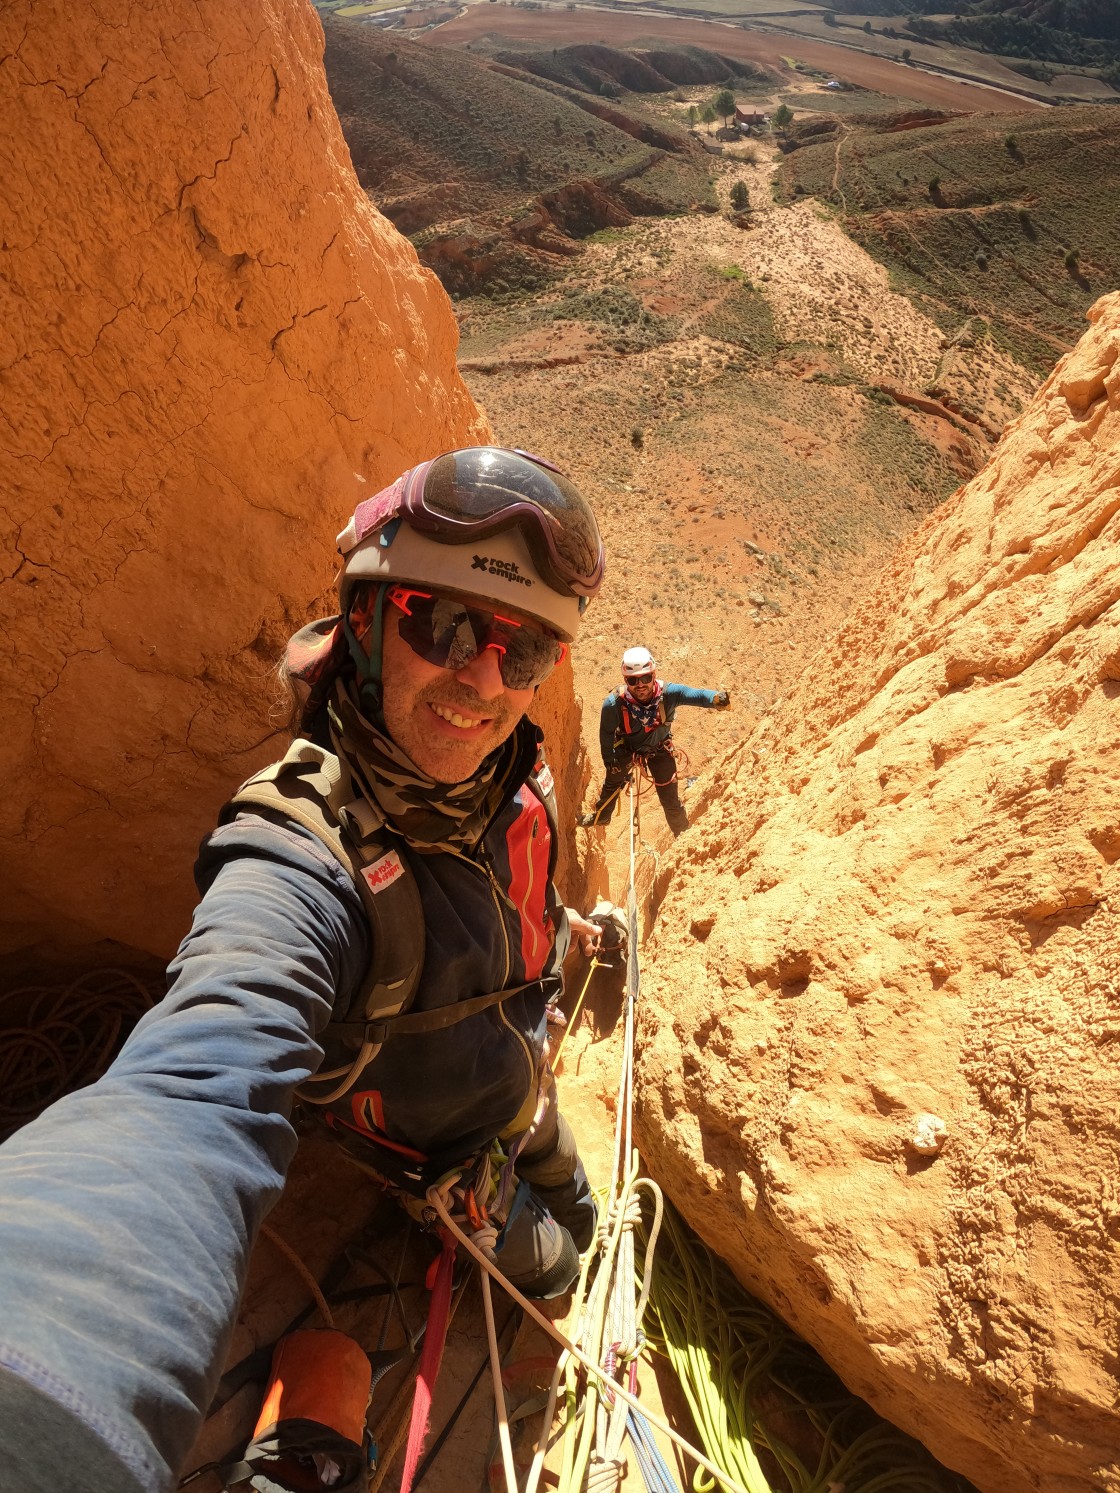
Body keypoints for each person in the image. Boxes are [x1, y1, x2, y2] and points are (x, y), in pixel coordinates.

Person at [0, 447, 605, 1493]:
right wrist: (44, 1401)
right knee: (558, 1266)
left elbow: (515, 896)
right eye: (444, 625)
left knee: (584, 1206)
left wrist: (562, 927)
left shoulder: (513, 773)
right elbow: (194, 1091)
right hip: (442, 1153)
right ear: (365, 620)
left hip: (521, 1085)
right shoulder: (299, 852)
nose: (482, 678)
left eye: (525, 648)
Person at [580, 646, 729, 836]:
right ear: (625, 680)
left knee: (670, 800)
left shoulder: (669, 694)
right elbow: (606, 734)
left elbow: (695, 695)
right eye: (633, 680)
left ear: (654, 675)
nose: (640, 685)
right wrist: (609, 760)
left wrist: (715, 699)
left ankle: (682, 836)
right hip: (627, 748)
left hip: (659, 749)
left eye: (645, 678)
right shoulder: (613, 704)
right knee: (612, 783)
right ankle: (602, 816)